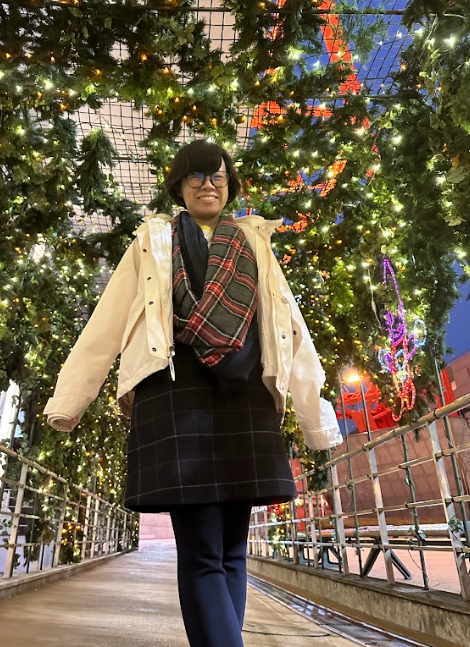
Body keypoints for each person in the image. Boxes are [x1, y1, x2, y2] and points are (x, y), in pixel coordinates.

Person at [44, 139, 342, 647]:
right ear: (179, 187)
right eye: (197, 177)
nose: (209, 185)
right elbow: (107, 322)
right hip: (175, 391)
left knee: (232, 552)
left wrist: (316, 416)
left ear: (230, 184)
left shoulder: (254, 241)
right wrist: (70, 399)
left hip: (245, 391)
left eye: (218, 176)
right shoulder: (152, 241)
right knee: (203, 551)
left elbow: (291, 327)